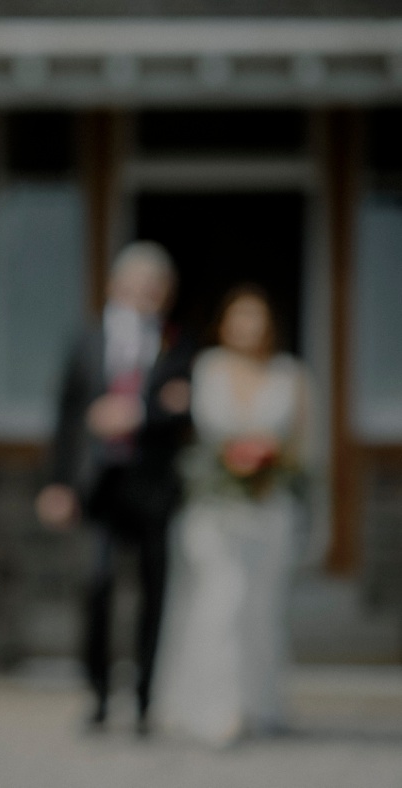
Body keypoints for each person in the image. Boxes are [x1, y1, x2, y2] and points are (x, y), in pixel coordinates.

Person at [35, 241, 194, 734]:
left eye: (157, 285)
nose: (147, 292)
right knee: (98, 586)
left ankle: (145, 701)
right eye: (138, 283)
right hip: (97, 486)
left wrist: (142, 412)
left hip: (153, 488)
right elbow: (64, 416)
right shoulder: (86, 340)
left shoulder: (178, 342)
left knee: (153, 592)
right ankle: (100, 697)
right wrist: (57, 483)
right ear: (115, 286)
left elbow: (186, 409)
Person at [151, 285, 312, 746]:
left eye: (257, 317)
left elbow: (302, 448)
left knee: (261, 606)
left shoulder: (290, 374)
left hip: (269, 508)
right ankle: (213, 706)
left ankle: (259, 702)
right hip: (212, 506)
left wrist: (270, 460)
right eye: (240, 317)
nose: (249, 327)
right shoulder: (204, 368)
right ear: (224, 323)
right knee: (219, 599)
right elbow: (183, 436)